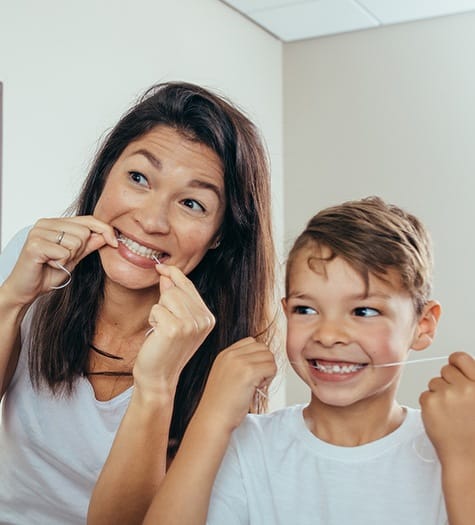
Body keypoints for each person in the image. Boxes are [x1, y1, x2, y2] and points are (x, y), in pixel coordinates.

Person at [0, 81, 278, 525]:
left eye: (191, 203)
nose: (150, 220)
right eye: (138, 178)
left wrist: (158, 385)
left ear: (220, 235)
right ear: (105, 174)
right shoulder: (31, 258)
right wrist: (12, 300)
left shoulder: (227, 358)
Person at [143, 196, 475, 525]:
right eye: (306, 310)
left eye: (364, 311)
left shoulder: (456, 443)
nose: (328, 335)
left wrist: (463, 460)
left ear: (424, 325)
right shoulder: (248, 446)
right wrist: (211, 419)